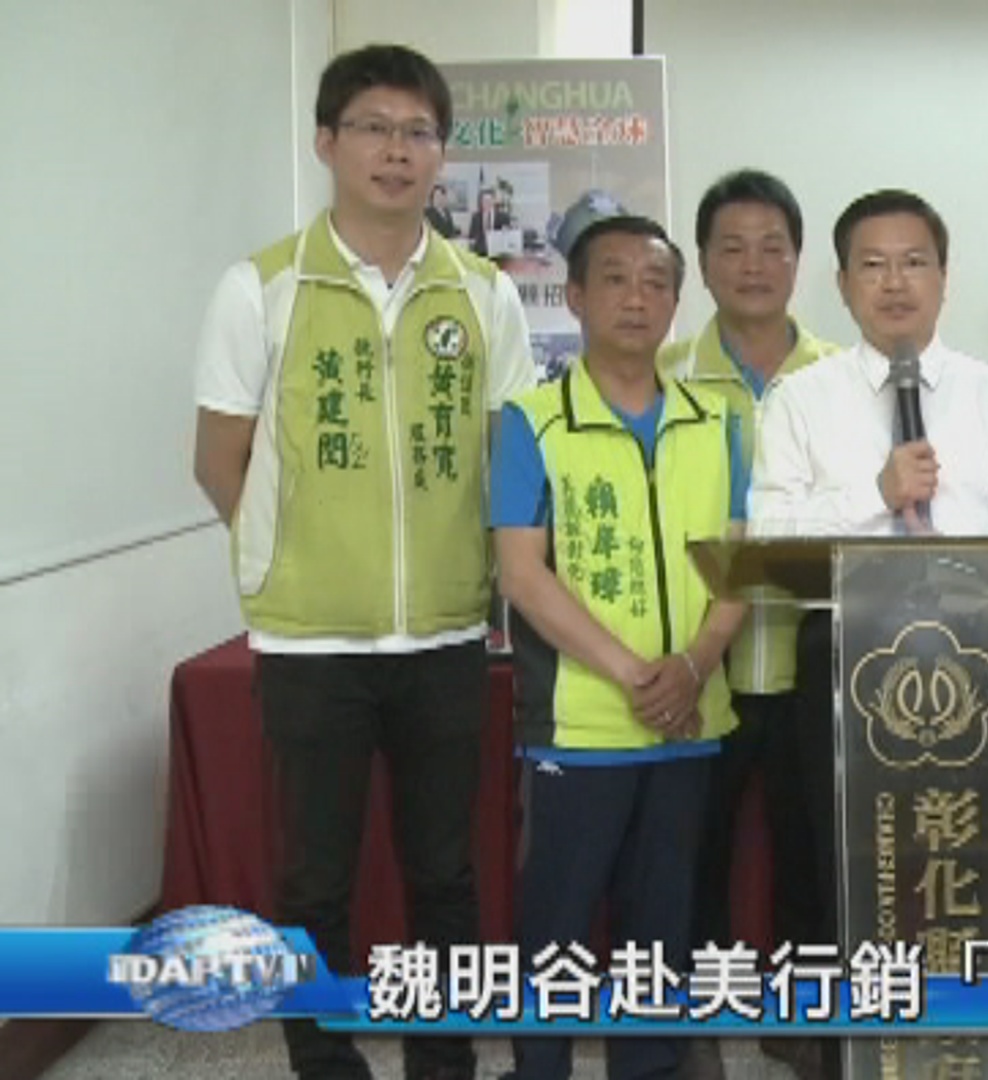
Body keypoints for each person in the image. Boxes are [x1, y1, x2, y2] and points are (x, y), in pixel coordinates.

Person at [190, 43, 535, 1080]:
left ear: (443, 154)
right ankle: (324, 1062)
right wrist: (293, 558)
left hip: (445, 632)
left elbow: (508, 460)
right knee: (314, 881)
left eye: (418, 132)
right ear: (326, 142)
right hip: (309, 640)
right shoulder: (261, 287)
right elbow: (220, 461)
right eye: (374, 129)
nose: (396, 151)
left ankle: (443, 1062)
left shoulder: (485, 293)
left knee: (445, 873)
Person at [751, 188, 988, 1080]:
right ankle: (844, 1053)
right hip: (842, 654)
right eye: (873, 265)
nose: (895, 283)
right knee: (841, 864)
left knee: (961, 860)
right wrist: (873, 495)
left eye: (914, 262)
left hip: (971, 659)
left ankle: (961, 1043)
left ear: (944, 278)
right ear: (843, 283)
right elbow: (770, 535)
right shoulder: (800, 400)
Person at [492, 198, 749, 1080]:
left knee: (661, 931)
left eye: (655, 283)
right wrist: (640, 675)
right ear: (574, 296)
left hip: (690, 724)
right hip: (581, 728)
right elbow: (522, 574)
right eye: (614, 280)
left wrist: (695, 666)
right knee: (555, 927)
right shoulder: (532, 422)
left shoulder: (716, 424)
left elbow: (740, 566)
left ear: (677, 300)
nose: (637, 299)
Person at [656, 169, 838, 1080]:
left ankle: (808, 1022)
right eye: (732, 246)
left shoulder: (844, 377)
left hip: (816, 654)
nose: (754, 264)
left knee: (816, 854)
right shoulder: (661, 375)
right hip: (700, 658)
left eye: (773, 246)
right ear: (703, 262)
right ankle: (695, 1028)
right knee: (692, 854)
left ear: (799, 261)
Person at [468, 188, 510, 256]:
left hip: (497, 252)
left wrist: (505, 231)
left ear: (493, 201)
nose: (487, 203)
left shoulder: (503, 217)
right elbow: (471, 236)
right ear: (481, 202)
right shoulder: (475, 217)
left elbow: (508, 235)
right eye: (484, 201)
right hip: (480, 253)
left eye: (489, 200)